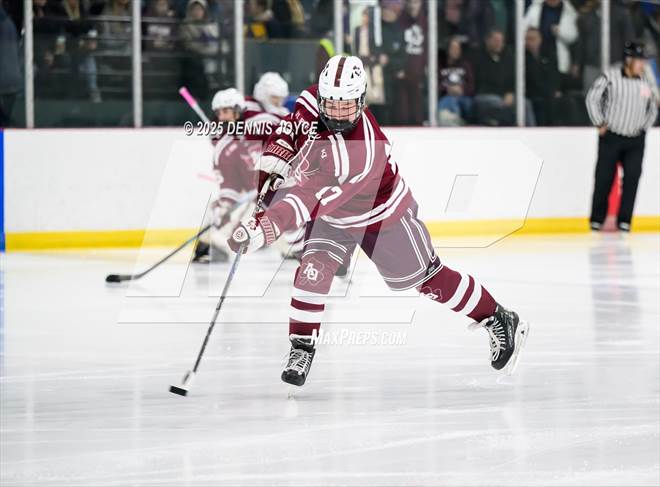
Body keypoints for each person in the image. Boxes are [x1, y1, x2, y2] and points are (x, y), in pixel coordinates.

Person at [227, 55, 530, 387]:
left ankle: (497, 317)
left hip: (381, 215)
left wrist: (264, 228)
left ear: (361, 101)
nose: (337, 113)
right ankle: (301, 347)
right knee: (312, 272)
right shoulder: (311, 100)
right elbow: (288, 131)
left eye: (346, 106)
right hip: (332, 215)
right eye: (331, 104)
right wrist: (272, 167)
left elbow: (307, 200)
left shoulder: (362, 149)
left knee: (428, 280)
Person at [586, 41, 658, 233]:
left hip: (635, 139)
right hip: (612, 136)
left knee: (632, 178)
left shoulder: (647, 81)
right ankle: (597, 219)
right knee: (604, 178)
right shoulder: (611, 76)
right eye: (639, 60)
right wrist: (599, 122)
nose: (643, 64)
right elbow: (592, 98)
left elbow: (653, 105)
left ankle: (625, 220)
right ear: (628, 60)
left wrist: (645, 127)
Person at [438, 36, 475, 126]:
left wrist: (461, 89)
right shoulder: (439, 65)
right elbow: (434, 84)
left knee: (468, 104)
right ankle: (455, 124)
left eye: (458, 48)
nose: (456, 51)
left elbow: (471, 85)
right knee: (450, 101)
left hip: (464, 97)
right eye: (453, 48)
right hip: (446, 97)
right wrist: (448, 89)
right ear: (447, 49)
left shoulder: (465, 65)